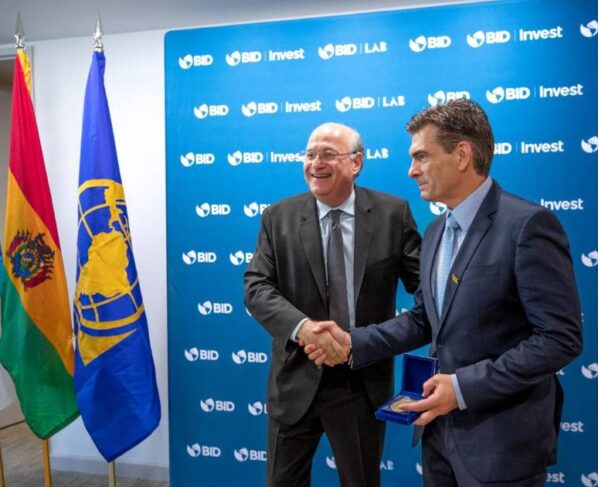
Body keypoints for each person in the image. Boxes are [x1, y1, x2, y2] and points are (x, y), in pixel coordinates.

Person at [306, 100, 583, 486]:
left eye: (421, 156)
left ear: (462, 155)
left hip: (501, 445)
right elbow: (425, 318)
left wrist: (462, 388)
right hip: (437, 437)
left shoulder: (528, 226)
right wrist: (352, 342)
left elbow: (559, 338)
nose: (411, 170)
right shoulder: (436, 231)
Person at [244, 122, 421, 487]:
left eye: (327, 154)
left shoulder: (393, 214)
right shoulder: (278, 217)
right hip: (295, 379)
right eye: (310, 154)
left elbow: (426, 291)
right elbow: (257, 287)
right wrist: (305, 329)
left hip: (360, 381)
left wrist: (368, 341)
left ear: (356, 162)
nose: (315, 163)